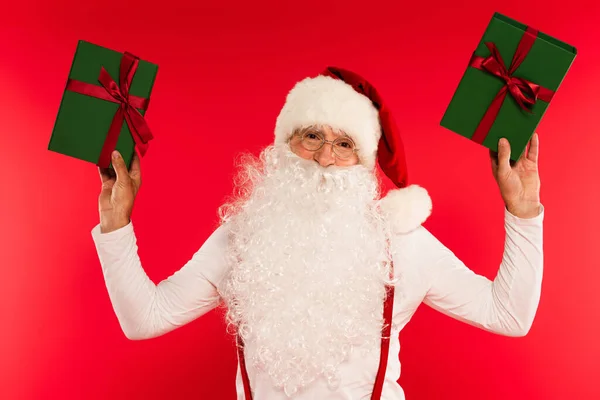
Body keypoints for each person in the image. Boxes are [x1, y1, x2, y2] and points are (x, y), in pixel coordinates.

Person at [91, 67, 544, 400]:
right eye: (311, 136)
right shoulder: (244, 238)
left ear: (363, 161)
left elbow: (508, 314)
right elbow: (144, 318)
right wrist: (116, 225)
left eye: (345, 144)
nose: (325, 158)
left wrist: (523, 212)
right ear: (284, 146)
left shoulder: (401, 242)